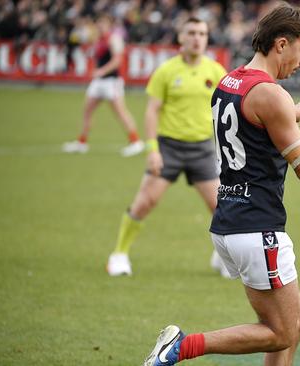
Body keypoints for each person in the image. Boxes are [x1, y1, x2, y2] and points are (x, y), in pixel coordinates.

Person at [142, 4, 300, 366]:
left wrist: (288, 116)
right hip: (257, 226)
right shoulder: (270, 94)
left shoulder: (228, 81)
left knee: (293, 325)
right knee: (281, 331)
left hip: (230, 222)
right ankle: (180, 347)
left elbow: (249, 126)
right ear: (281, 44)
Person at [106, 17, 227, 276]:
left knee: (221, 208)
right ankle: (119, 254)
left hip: (202, 149)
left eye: (202, 33)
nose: (197, 38)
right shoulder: (166, 71)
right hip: (169, 147)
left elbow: (224, 113)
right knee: (145, 202)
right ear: (181, 37)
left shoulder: (216, 71)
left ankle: (221, 256)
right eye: (192, 32)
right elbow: (151, 111)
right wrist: (152, 149)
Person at [62, 14, 144, 156]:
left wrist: (101, 71)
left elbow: (117, 61)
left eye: (103, 23)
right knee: (87, 110)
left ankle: (136, 142)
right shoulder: (98, 38)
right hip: (99, 82)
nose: (100, 25)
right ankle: (82, 143)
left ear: (109, 24)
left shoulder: (114, 39)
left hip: (111, 82)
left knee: (120, 112)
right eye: (99, 22)